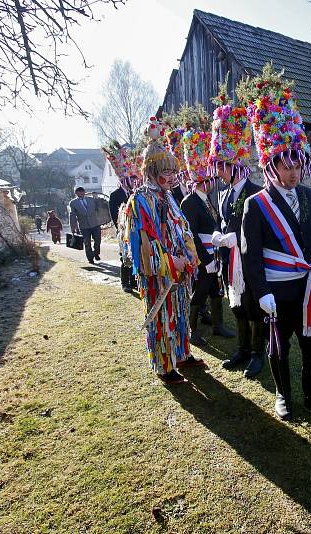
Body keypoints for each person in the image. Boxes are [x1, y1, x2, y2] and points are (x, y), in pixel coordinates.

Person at [239, 65, 311, 420]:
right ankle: (283, 395)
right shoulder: (257, 204)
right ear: (271, 165)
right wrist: (262, 290)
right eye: (286, 165)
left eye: (298, 163)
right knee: (280, 347)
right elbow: (250, 255)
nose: (294, 171)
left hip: (309, 288)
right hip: (277, 292)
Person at [121, 129, 202, 384]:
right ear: (152, 172)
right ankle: (163, 365)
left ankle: (181, 353)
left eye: (173, 172)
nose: (171, 177)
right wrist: (168, 261)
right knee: (162, 319)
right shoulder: (141, 200)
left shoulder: (167, 197)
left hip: (178, 273)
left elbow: (182, 228)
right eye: (166, 172)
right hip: (158, 277)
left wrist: (189, 255)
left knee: (180, 313)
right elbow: (145, 245)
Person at [207, 88, 265, 378]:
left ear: (235, 164)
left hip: (250, 261)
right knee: (238, 307)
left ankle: (257, 354)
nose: (218, 173)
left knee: (255, 310)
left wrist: (237, 238)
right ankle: (242, 349)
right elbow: (222, 222)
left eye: (222, 167)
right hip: (231, 263)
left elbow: (258, 230)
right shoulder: (222, 194)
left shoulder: (256, 192)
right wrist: (219, 239)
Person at [180, 125, 236, 346]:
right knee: (200, 292)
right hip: (203, 256)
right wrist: (205, 259)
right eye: (210, 179)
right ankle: (192, 330)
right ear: (202, 182)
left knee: (215, 290)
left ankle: (218, 325)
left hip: (214, 254)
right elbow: (191, 234)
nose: (215, 181)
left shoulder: (207, 199)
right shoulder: (190, 202)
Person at [104, 140, 141, 292]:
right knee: (124, 256)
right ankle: (125, 282)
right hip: (123, 230)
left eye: (134, 178)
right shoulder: (115, 195)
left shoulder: (136, 193)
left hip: (135, 229)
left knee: (135, 255)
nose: (134, 181)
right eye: (131, 179)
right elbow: (114, 214)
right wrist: (121, 230)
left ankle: (134, 281)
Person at [68, 186, 102, 264]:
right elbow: (72, 216)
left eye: (82, 191)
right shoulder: (73, 203)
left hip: (95, 224)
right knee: (87, 242)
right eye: (79, 192)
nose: (81, 193)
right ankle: (90, 258)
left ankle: (96, 253)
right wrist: (73, 228)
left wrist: (96, 197)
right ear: (76, 193)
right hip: (84, 226)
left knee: (98, 240)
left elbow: (99, 207)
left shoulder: (91, 200)